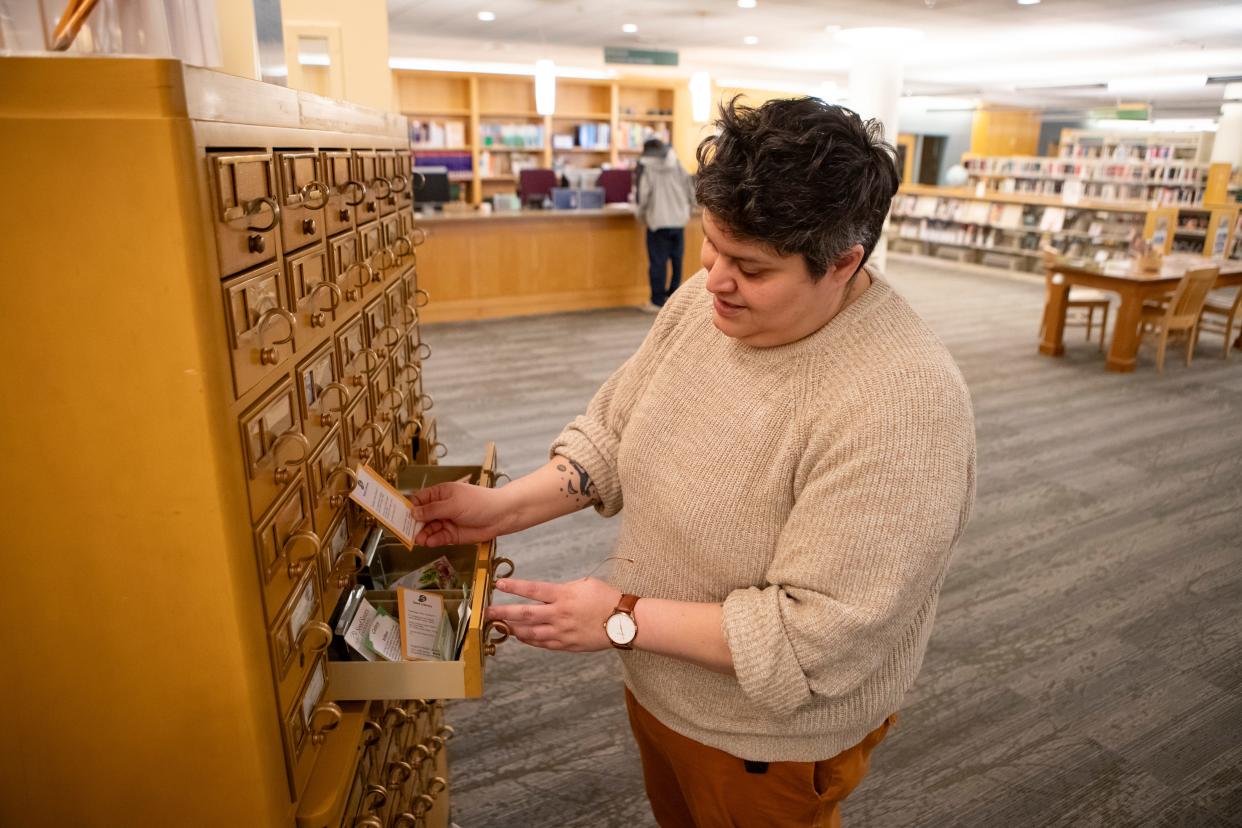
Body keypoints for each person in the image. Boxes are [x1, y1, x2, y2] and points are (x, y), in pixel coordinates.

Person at [411, 96, 976, 827]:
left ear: (843, 263)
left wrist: (620, 618)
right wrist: (499, 509)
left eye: (750, 266)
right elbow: (611, 434)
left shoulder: (904, 408)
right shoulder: (703, 306)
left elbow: (815, 638)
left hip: (765, 741)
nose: (712, 276)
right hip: (658, 681)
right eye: (710, 243)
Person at [636, 137, 696, 311]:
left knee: (658, 262)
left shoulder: (647, 167)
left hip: (658, 222)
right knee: (677, 261)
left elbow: (644, 196)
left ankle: (656, 301)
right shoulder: (676, 163)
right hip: (678, 220)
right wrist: (689, 207)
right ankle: (673, 299)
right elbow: (689, 188)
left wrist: (641, 216)